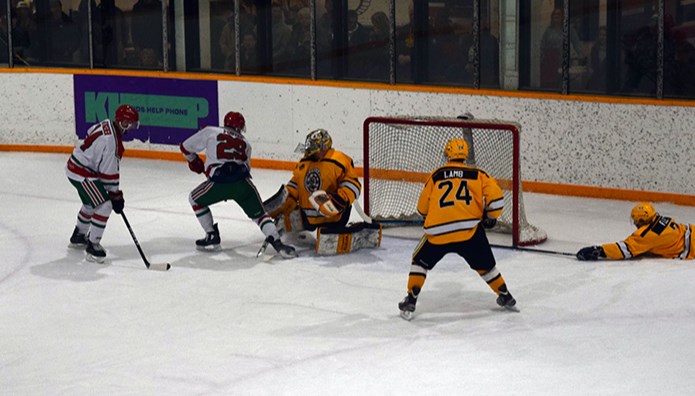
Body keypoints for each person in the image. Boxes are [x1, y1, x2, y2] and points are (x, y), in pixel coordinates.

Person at [398, 138, 517, 320]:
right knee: (486, 266)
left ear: (447, 153)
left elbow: (422, 208)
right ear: (465, 155)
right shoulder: (479, 174)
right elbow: (497, 200)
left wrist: (429, 217)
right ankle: (505, 295)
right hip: (469, 231)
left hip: (438, 233)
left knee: (419, 261)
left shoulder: (436, 175)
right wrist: (491, 217)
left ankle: (411, 299)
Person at [179, 111, 297, 258]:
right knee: (261, 215)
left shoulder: (210, 131)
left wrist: (193, 160)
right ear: (240, 127)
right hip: (243, 184)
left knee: (194, 199)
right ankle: (279, 244)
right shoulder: (246, 144)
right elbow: (246, 169)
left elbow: (185, 147)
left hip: (219, 183)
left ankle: (211, 234)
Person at [265, 128, 379, 255]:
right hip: (307, 219)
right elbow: (295, 186)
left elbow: (353, 184)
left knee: (327, 239)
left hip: (334, 218)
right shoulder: (304, 163)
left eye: (314, 149)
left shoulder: (339, 160)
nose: (311, 152)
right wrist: (285, 201)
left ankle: (354, 233)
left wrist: (341, 199)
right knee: (283, 221)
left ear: (325, 146)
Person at [65, 104, 140, 263]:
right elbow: (108, 175)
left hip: (75, 165)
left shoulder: (106, 123)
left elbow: (89, 134)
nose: (131, 128)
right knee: (105, 205)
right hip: (81, 172)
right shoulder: (113, 143)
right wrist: (116, 196)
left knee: (91, 203)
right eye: (130, 124)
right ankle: (93, 245)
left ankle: (79, 235)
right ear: (123, 123)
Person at [576, 202, 695, 261]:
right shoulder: (661, 219)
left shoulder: (646, 235)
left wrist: (599, 251)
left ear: (642, 220)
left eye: (636, 220)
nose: (635, 223)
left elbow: (625, 249)